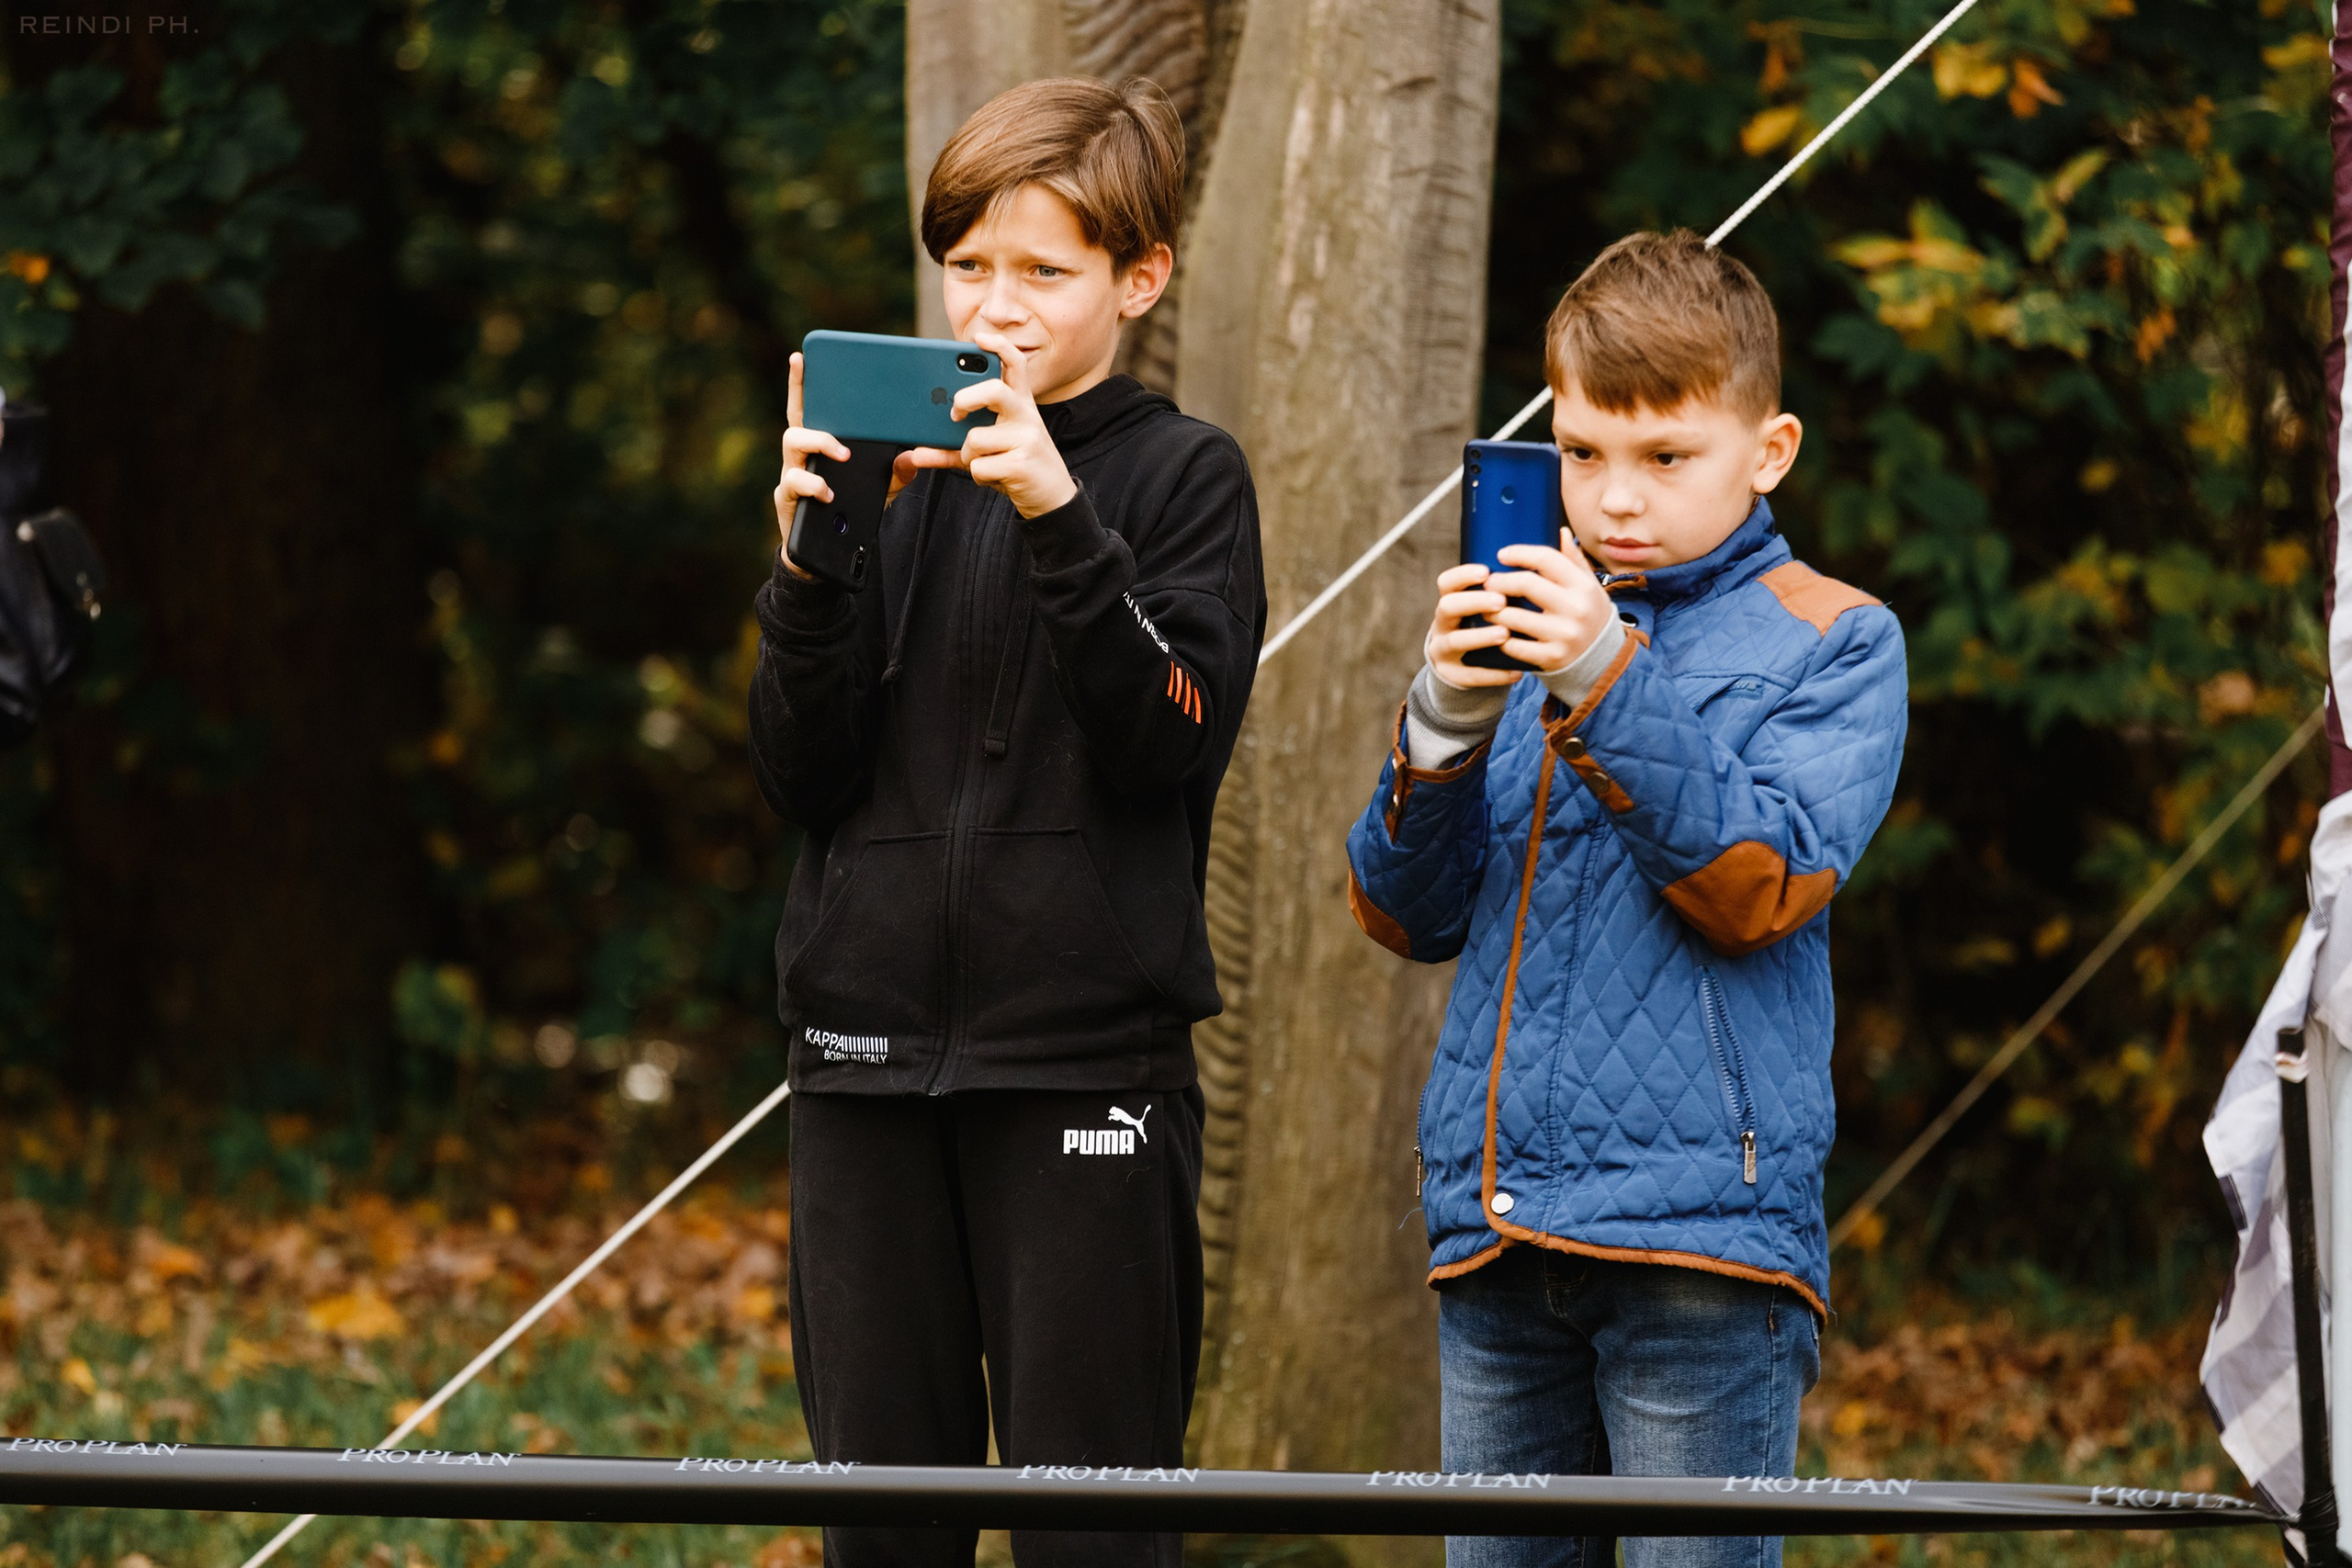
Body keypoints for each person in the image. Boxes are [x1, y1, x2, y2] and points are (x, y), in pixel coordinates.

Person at [748, 76, 1265, 1568]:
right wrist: (811, 569)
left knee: (1091, 1541)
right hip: (859, 1069)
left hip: (1086, 1068)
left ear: (1138, 280)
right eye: (971, 266)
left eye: (1046, 271)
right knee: (881, 1538)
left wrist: (1056, 516)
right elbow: (799, 776)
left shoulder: (1183, 479)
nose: (1001, 304)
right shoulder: (885, 479)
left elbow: (1169, 740)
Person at [1345, 231, 1909, 1568]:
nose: (1616, 500)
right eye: (1584, 453)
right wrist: (1443, 724)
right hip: (1495, 1235)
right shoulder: (1537, 619)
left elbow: (1756, 886)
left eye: (1667, 458)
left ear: (1768, 450)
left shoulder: (1835, 636)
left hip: (1699, 1254)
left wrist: (1606, 676)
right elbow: (1404, 917)